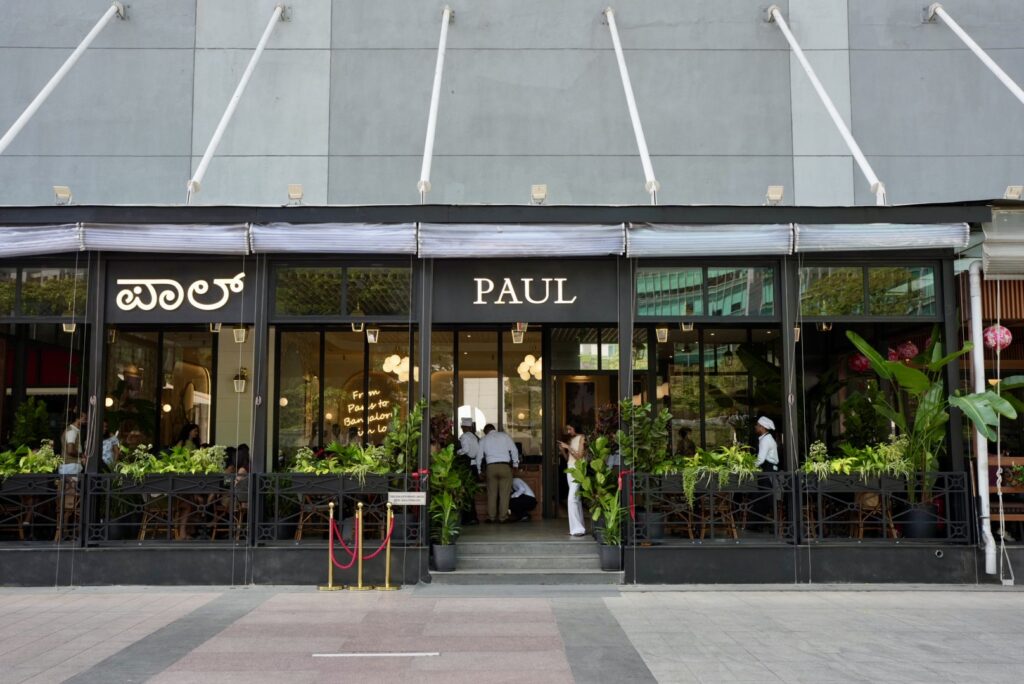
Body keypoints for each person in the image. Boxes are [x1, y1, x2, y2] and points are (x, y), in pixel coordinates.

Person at [479, 423, 519, 523]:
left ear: (486, 431)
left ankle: (491, 517)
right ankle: (503, 517)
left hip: (491, 467)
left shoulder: (484, 439)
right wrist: (515, 464)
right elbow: (514, 450)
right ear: (494, 429)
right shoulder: (505, 436)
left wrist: (479, 470)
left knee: (491, 494)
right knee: (504, 494)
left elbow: (479, 456)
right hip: (505, 467)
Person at [558, 423, 587, 537]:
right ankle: (578, 528)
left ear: (576, 427)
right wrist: (562, 450)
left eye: (570, 429)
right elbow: (568, 459)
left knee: (571, 499)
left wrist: (568, 447)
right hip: (570, 469)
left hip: (578, 469)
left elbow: (579, 457)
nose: (569, 431)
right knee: (576, 499)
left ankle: (577, 529)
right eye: (568, 429)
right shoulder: (572, 439)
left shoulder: (582, 438)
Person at [456, 418, 480, 525]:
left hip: (467, 467)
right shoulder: (475, 437)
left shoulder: (464, 436)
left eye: (462, 426)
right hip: (474, 467)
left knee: (466, 492)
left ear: (464, 427)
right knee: (470, 492)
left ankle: (468, 517)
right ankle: (473, 517)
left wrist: (457, 452)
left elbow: (465, 450)